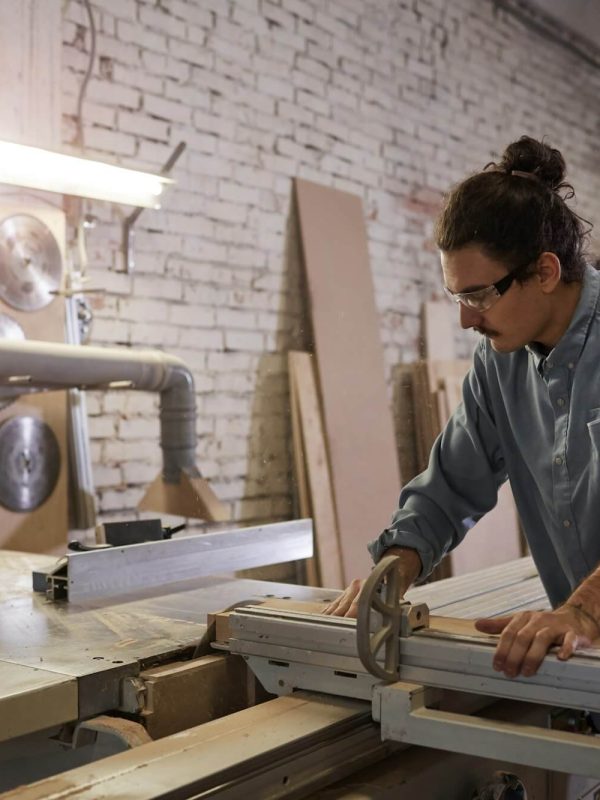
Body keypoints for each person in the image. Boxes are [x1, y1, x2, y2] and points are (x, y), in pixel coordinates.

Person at [324, 135, 600, 680]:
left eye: (478, 296)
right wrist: (393, 571)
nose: (466, 320)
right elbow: (451, 485)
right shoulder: (499, 364)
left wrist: (583, 610)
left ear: (545, 272)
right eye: (458, 298)